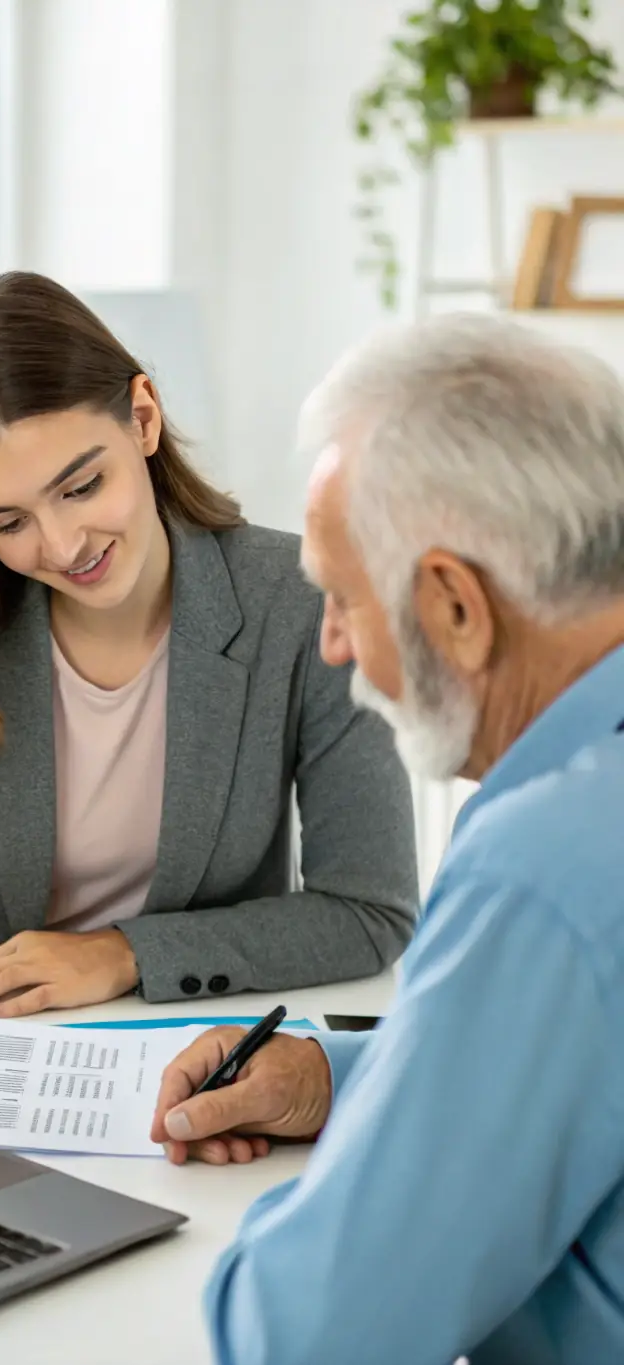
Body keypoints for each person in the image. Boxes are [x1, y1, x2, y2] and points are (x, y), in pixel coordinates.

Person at [0, 271, 417, 1074]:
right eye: (8, 521)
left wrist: (120, 954)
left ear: (142, 417)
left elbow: (368, 911)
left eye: (83, 485)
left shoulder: (299, 600)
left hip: (195, 1054)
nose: (64, 544)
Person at [150, 313, 624, 1365]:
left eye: (339, 597)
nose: (327, 644)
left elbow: (308, 1336)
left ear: (456, 605)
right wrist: (331, 1081)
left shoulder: (549, 866)